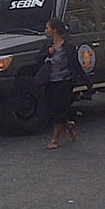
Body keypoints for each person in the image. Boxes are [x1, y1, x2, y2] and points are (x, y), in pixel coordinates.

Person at [38, 19, 93, 150]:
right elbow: (38, 59)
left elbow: (76, 65)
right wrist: (48, 52)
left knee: (59, 109)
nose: (45, 31)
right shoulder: (47, 45)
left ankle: (55, 139)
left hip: (64, 82)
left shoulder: (67, 47)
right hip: (50, 82)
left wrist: (87, 82)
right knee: (53, 110)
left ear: (55, 30)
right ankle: (69, 127)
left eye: (47, 28)